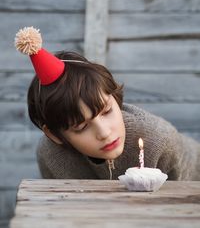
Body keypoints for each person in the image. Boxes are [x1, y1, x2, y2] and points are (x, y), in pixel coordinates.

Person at [15, 27, 200, 180]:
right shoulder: (51, 156)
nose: (104, 133)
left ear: (116, 99)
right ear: (54, 135)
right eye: (81, 127)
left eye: (106, 111)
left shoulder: (158, 141)